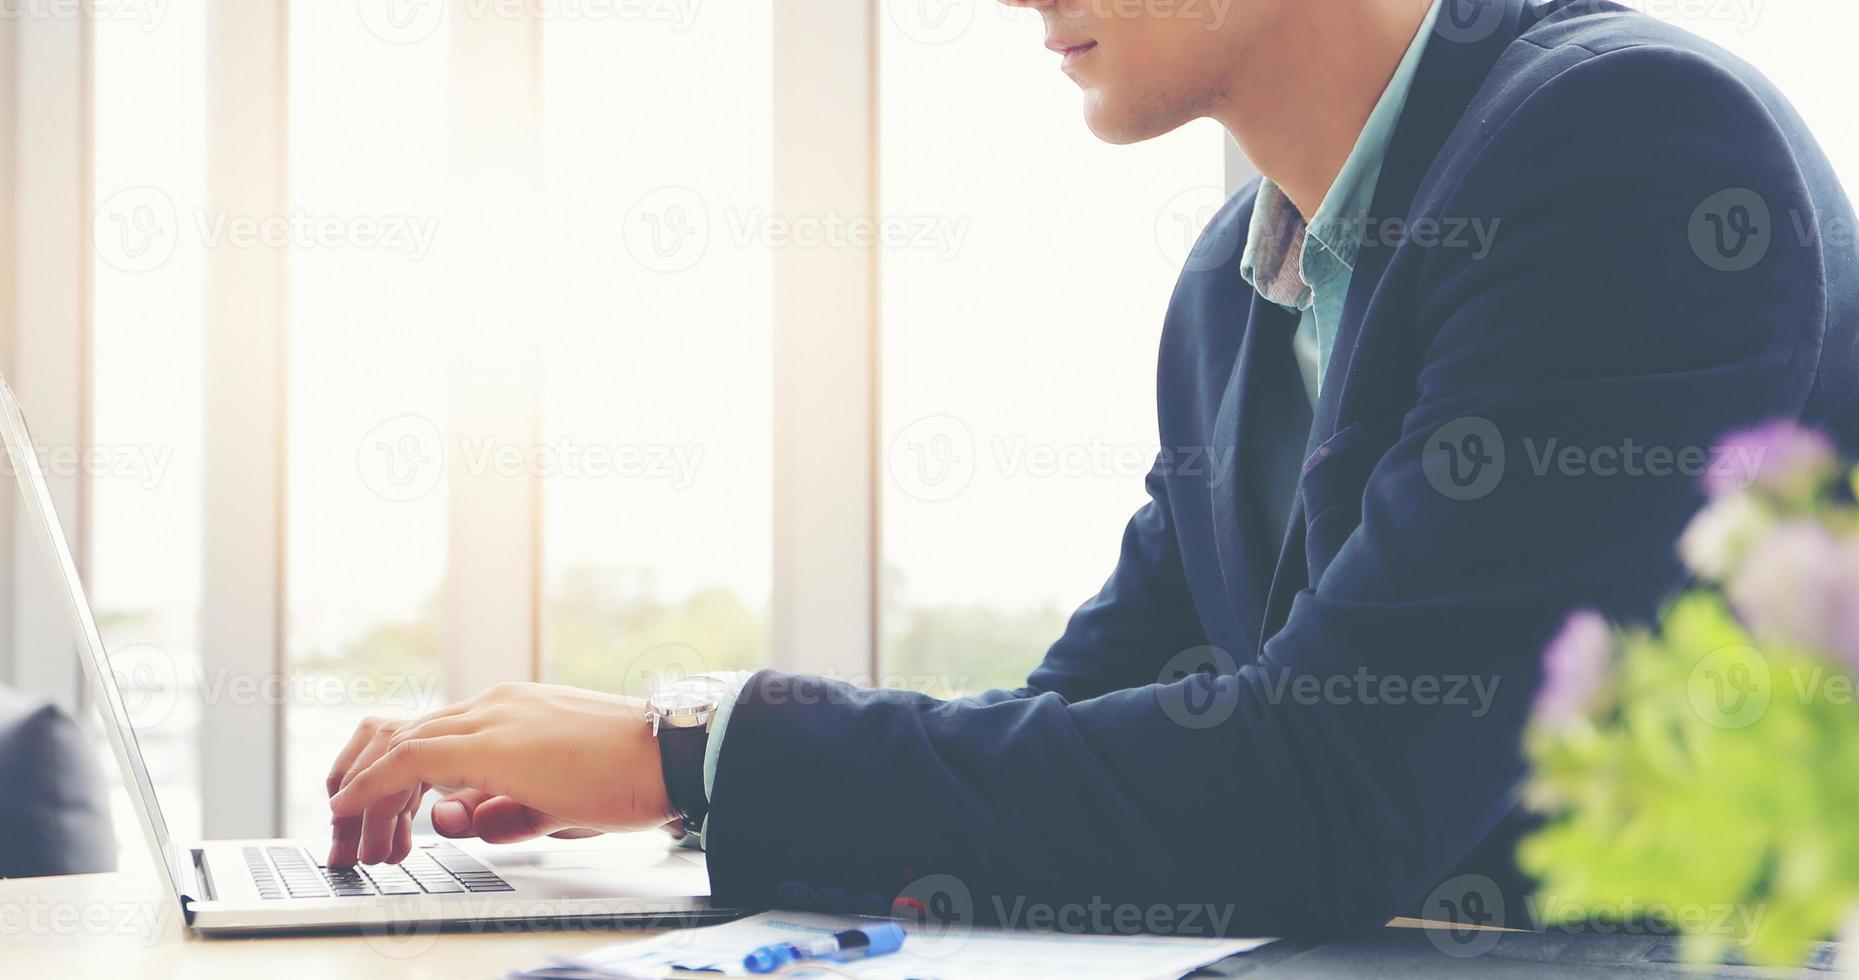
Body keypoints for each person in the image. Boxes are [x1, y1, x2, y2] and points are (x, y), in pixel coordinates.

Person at [325, 0, 1859, 935]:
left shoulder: (1638, 146)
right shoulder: (1233, 286)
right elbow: (1098, 726)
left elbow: (1322, 794)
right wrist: (677, 790)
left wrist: (689, 745)